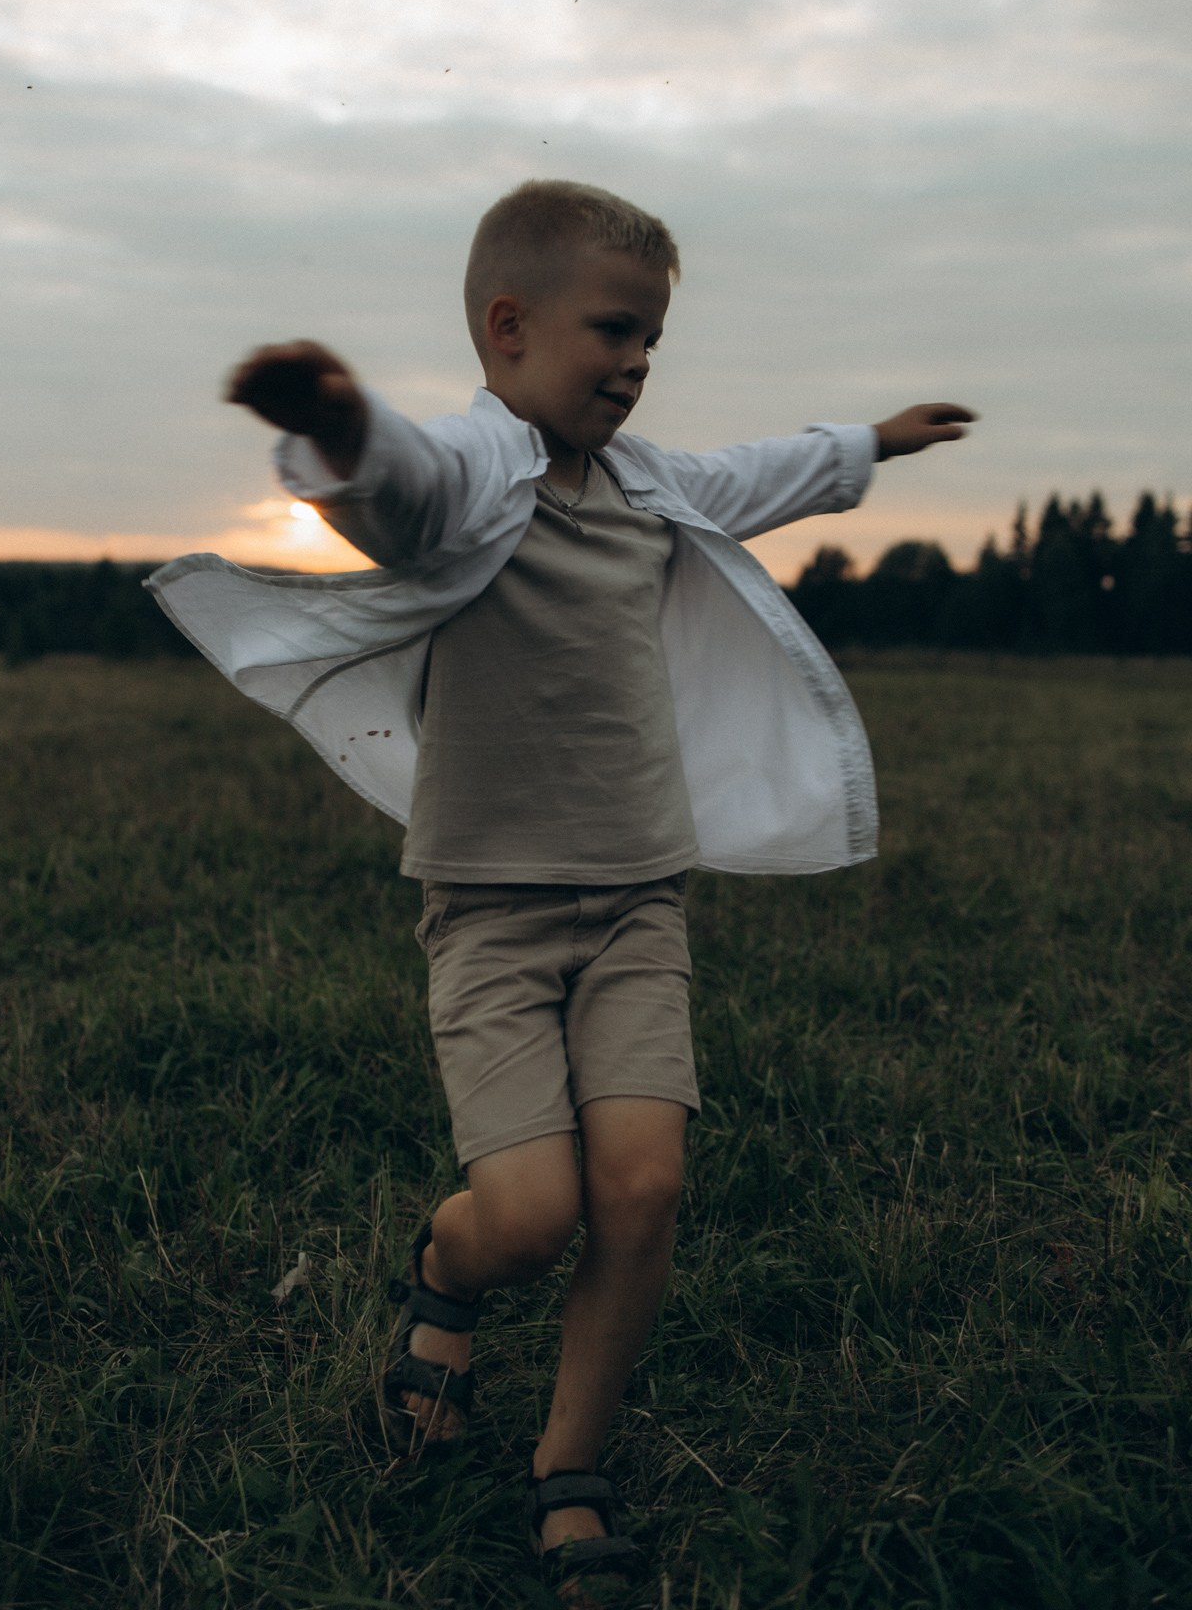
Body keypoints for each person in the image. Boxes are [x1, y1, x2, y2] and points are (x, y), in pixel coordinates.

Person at [149, 179, 973, 1604]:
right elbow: (398, 489)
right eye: (614, 330)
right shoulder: (475, 470)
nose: (638, 360)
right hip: (493, 913)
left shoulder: (647, 482)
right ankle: (449, 1276)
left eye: (652, 335)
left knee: (642, 1189)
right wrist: (340, 428)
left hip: (640, 900)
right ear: (509, 327)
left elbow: (755, 473)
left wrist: (867, 446)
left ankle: (569, 1466)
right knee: (525, 1217)